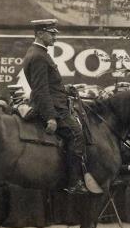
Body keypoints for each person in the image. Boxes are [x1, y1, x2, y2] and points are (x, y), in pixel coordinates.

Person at [20, 19, 88, 194]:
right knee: (77, 134)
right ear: (40, 34)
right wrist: (50, 117)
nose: (55, 38)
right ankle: (74, 182)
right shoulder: (38, 56)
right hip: (54, 108)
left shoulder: (38, 53)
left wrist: (66, 89)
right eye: (52, 34)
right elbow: (41, 90)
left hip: (57, 102)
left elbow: (48, 85)